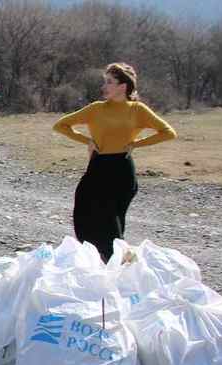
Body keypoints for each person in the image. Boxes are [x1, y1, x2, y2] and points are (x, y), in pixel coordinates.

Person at [53, 62, 177, 261]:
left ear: (123, 86)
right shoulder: (96, 109)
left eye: (109, 82)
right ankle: (99, 266)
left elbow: (168, 132)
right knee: (84, 216)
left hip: (121, 171)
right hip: (97, 168)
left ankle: (119, 268)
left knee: (111, 223)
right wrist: (88, 141)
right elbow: (61, 125)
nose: (104, 87)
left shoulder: (138, 110)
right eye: (105, 82)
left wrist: (137, 143)